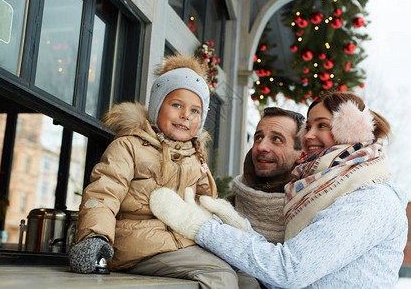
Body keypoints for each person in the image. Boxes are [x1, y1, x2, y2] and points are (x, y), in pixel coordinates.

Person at [150, 92, 408, 288]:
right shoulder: (320, 190)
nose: (308, 136)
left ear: (352, 130)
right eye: (309, 126)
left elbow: (289, 270)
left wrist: (202, 228)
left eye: (323, 125)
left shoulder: (368, 199)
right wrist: (239, 228)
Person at [68, 53, 260, 289]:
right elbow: (104, 193)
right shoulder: (130, 146)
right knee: (221, 276)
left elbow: (204, 203)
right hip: (138, 245)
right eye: (177, 105)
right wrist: (95, 236)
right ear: (158, 106)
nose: (185, 116)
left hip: (183, 242)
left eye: (195, 111)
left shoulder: (195, 155)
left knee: (248, 276)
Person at [229, 107, 305, 244]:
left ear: (301, 154)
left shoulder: (315, 210)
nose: (261, 147)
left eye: (276, 139)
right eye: (258, 137)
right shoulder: (227, 207)